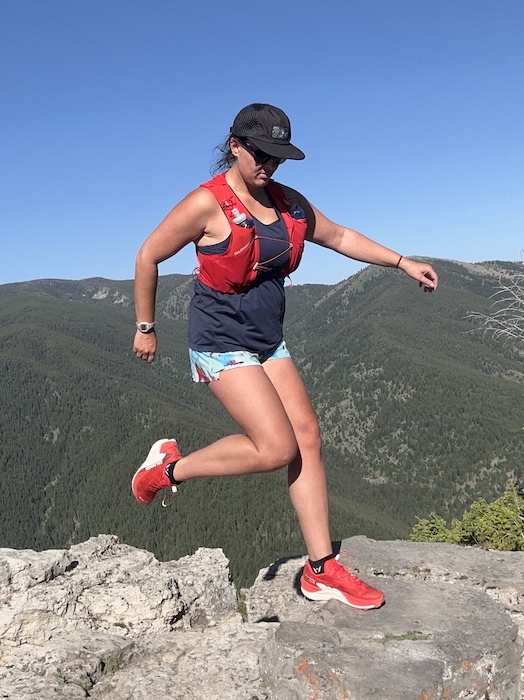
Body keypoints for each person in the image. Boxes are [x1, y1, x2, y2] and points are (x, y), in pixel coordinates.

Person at [130, 103, 437, 610]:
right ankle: (167, 469)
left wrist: (401, 262)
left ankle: (320, 570)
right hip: (220, 339)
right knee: (276, 448)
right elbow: (148, 254)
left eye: (278, 157)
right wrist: (146, 326)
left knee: (308, 439)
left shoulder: (288, 203)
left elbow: (338, 236)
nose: (269, 166)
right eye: (261, 154)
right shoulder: (207, 204)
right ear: (236, 146)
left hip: (267, 338)